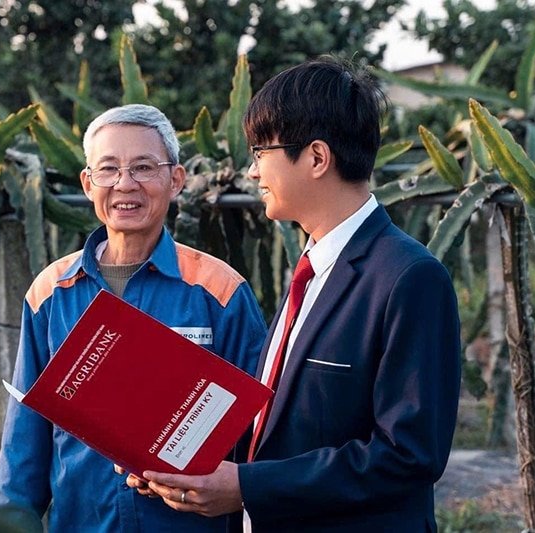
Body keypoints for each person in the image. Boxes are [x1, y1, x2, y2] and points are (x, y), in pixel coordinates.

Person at [142, 57, 462, 531]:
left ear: (316, 157)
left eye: (260, 152)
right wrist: (171, 459)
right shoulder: (312, 270)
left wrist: (248, 487)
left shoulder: (409, 277)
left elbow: (409, 456)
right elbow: (281, 426)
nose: (252, 173)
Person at [0, 104, 267, 532]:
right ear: (87, 182)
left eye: (143, 167)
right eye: (108, 169)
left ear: (175, 180)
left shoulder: (219, 291)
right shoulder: (50, 293)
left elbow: (258, 436)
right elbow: (24, 444)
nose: (125, 184)